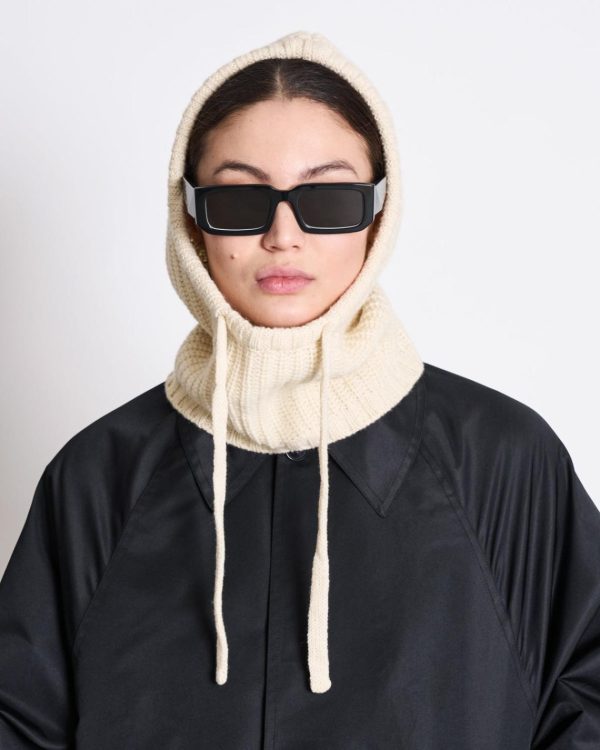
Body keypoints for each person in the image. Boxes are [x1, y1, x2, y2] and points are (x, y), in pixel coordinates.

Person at [1, 29, 599, 749]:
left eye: (329, 197)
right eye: (239, 199)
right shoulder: (98, 476)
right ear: (189, 218)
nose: (283, 234)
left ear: (379, 214)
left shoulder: (503, 461)